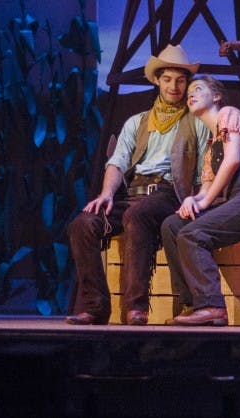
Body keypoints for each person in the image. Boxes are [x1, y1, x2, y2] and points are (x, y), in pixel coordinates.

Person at [65, 45, 210, 325]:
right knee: (83, 224)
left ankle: (136, 307)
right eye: (167, 79)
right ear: (157, 80)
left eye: (180, 80)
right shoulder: (137, 122)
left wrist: (199, 199)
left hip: (170, 192)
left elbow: (204, 169)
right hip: (133, 193)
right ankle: (95, 307)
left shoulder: (196, 122)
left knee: (138, 215)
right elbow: (117, 162)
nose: (174, 86)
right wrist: (107, 194)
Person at [160, 74, 240, 326]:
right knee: (173, 226)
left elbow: (233, 160)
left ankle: (212, 306)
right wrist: (192, 201)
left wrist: (204, 203)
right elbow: (206, 190)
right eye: (189, 94)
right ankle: (190, 304)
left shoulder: (228, 114)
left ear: (216, 96)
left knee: (193, 234)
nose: (190, 95)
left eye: (197, 89)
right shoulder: (212, 145)